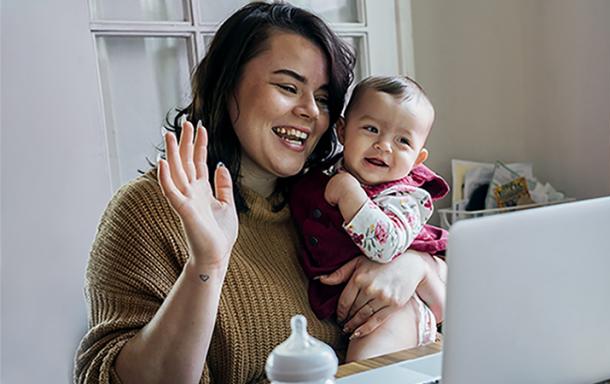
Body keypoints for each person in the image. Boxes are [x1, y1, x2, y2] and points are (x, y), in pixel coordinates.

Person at [73, 2, 447, 384]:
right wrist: (206, 267)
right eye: (288, 87)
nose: (309, 112)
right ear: (227, 82)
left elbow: (449, 311)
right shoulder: (146, 210)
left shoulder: (324, 201)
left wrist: (415, 265)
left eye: (321, 98)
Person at [290, 76, 448, 360]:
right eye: (371, 129)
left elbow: (387, 247)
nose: (384, 146)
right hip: (347, 310)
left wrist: (349, 194)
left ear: (417, 159)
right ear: (342, 130)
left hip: (398, 309)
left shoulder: (407, 197)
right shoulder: (319, 178)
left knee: (365, 366)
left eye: (403, 141)